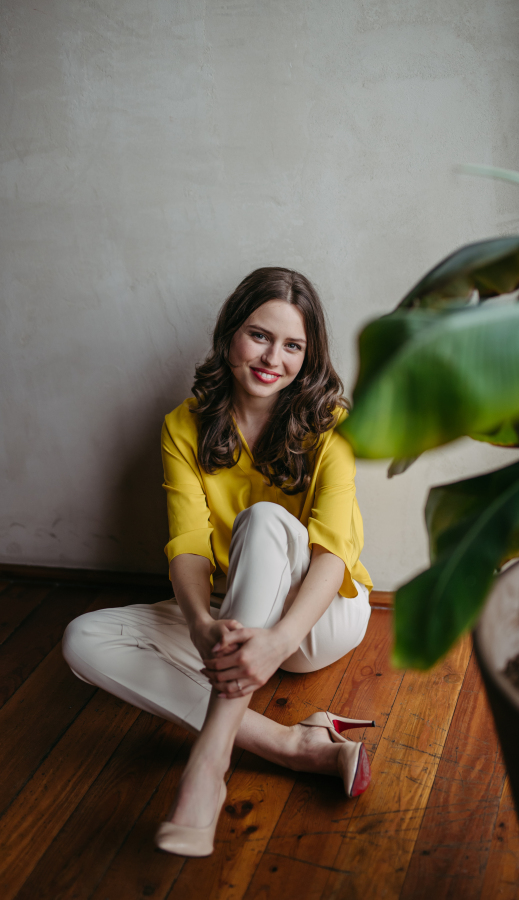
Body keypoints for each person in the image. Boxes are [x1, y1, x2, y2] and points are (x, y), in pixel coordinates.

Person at [62, 267, 374, 858]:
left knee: (264, 521)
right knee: (83, 639)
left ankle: (208, 763)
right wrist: (205, 629)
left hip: (319, 619)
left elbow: (332, 555)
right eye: (259, 335)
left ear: (308, 359)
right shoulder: (183, 426)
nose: (271, 358)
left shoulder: (332, 427)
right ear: (230, 333)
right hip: (234, 606)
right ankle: (292, 745)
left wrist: (280, 640)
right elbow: (186, 547)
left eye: (292, 346)